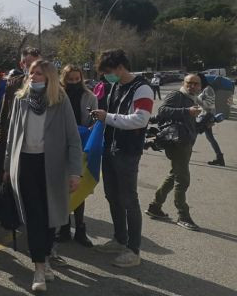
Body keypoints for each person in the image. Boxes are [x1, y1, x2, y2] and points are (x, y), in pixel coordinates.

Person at [5, 60, 83, 292]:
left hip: (53, 165)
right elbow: (11, 136)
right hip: (26, 164)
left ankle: (46, 256)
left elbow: (73, 139)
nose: (33, 77)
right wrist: (8, 166)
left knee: (51, 215)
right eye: (31, 73)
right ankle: (39, 266)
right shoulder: (20, 99)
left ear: (49, 77)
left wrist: (75, 171)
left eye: (39, 73)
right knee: (35, 215)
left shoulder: (60, 100)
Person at [91, 49, 152, 268]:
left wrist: (108, 117)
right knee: (112, 196)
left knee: (129, 200)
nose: (107, 76)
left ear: (119, 68)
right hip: (110, 148)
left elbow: (140, 120)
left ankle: (133, 250)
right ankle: (119, 239)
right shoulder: (116, 86)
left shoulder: (142, 87)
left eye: (108, 71)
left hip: (127, 151)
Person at [0, 47, 41, 244]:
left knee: (35, 192)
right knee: (6, 185)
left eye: (35, 62)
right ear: (21, 64)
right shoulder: (13, 84)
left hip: (38, 150)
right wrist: (0, 144)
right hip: (12, 145)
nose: (31, 67)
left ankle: (44, 241)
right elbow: (3, 117)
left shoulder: (51, 86)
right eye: (27, 63)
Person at [145, 74, 202, 231]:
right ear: (184, 83)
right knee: (182, 179)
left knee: (174, 174)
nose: (192, 86)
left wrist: (203, 124)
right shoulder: (177, 95)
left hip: (185, 142)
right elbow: (163, 110)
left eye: (195, 84)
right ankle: (183, 215)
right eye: (189, 83)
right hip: (177, 143)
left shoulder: (193, 98)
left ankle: (155, 206)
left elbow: (187, 120)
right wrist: (187, 111)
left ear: (199, 86)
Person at [56, 65, 98, 247]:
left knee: (78, 188)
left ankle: (80, 229)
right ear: (63, 79)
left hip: (81, 146)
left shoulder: (90, 96)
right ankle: (64, 227)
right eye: (70, 79)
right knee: (61, 189)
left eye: (77, 79)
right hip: (59, 146)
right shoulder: (57, 95)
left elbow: (94, 120)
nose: (74, 82)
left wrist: (88, 129)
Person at [197, 73, 224, 166]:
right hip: (206, 116)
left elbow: (208, 105)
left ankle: (183, 157)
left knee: (192, 133)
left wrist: (196, 100)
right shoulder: (206, 89)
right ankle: (220, 157)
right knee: (210, 138)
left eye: (197, 81)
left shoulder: (208, 89)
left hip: (206, 117)